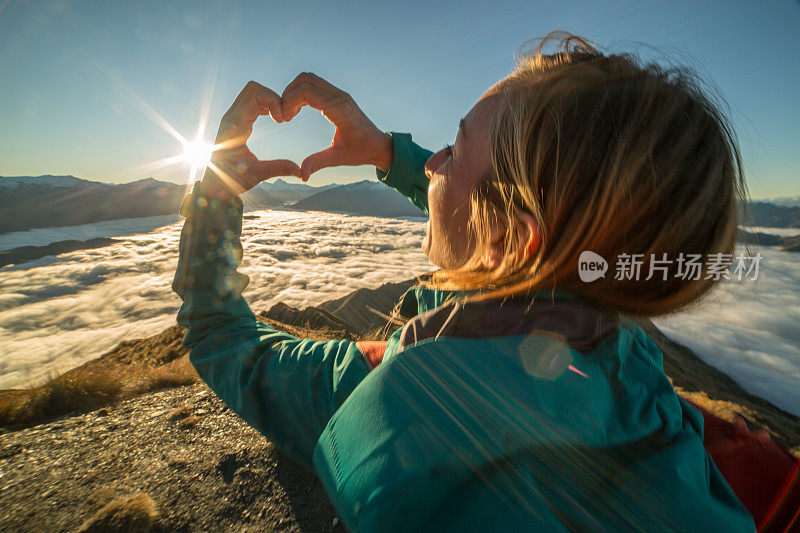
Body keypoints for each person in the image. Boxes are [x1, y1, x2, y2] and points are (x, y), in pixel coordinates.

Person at [172, 33, 758, 531]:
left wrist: (215, 194)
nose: (432, 163)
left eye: (453, 150)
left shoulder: (413, 396)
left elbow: (224, 341)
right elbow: (510, 233)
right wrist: (386, 153)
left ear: (509, 237)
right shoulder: (630, 369)